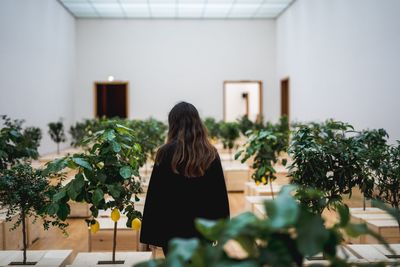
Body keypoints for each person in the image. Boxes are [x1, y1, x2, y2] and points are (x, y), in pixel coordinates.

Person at [140, 102, 230, 256]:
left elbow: (156, 196)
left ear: (172, 124)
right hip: (203, 228)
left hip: (171, 229)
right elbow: (219, 195)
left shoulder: (165, 153)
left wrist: (150, 235)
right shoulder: (210, 153)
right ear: (197, 122)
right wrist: (221, 231)